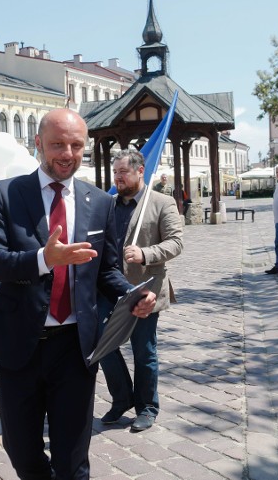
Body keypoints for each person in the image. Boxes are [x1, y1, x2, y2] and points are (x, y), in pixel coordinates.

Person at [0, 108, 156, 480]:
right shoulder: (5, 194)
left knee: (72, 456)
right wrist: (43, 259)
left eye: (76, 145)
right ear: (38, 143)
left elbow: (105, 272)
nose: (67, 153)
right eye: (57, 144)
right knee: (21, 449)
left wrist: (133, 294)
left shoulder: (100, 202)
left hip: (75, 346)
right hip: (20, 344)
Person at [98, 150, 183, 432]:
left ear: (139, 171)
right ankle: (122, 398)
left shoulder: (161, 202)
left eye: (123, 172)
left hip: (144, 290)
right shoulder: (108, 204)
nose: (118, 178)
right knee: (103, 347)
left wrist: (145, 253)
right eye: (116, 173)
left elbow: (175, 243)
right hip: (109, 288)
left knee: (143, 351)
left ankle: (147, 406)